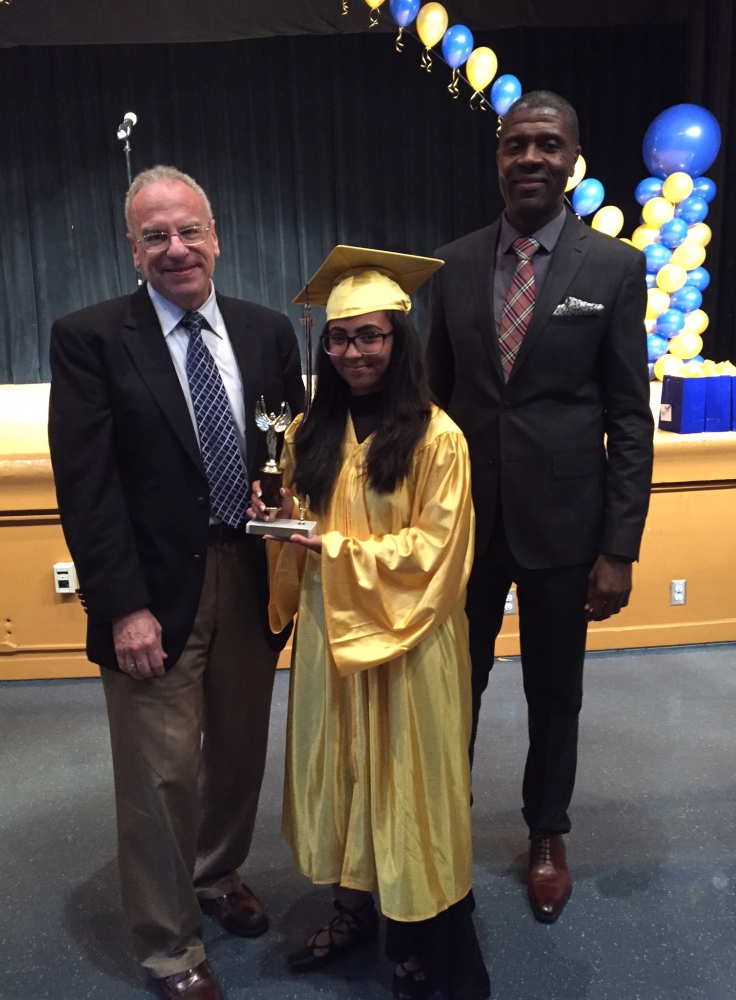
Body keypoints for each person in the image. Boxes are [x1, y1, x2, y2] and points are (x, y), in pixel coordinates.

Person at [48, 165, 304, 1000]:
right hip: (152, 594)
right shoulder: (90, 339)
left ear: (216, 235)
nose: (176, 248)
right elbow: (86, 490)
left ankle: (216, 874)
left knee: (236, 753)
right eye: (155, 236)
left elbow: (281, 452)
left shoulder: (268, 333)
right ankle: (168, 946)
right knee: (159, 774)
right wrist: (122, 607)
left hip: (249, 573)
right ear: (134, 250)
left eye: (189, 229)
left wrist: (280, 496)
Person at [427, 91, 654, 924]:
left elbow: (629, 416)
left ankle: (547, 833)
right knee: (455, 686)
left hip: (568, 533)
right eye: (515, 144)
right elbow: (435, 406)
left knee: (557, 692)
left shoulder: (614, 268)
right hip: (466, 531)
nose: (530, 157)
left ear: (572, 159)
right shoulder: (449, 266)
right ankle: (440, 824)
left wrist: (619, 546)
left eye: (547, 144)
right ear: (497, 158)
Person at [249, 246, 490, 1000]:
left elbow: (435, 553)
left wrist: (334, 545)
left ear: (399, 340)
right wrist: (281, 521)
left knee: (409, 784)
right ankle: (351, 910)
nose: (355, 352)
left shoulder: (437, 438)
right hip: (331, 637)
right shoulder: (305, 437)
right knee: (344, 771)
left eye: (371, 336)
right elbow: (297, 530)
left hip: (410, 642)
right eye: (341, 338)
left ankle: (418, 939)